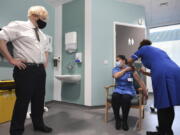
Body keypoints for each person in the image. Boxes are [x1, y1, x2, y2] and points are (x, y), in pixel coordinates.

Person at [0, 5, 52, 135]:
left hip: (40, 70)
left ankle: (38, 124)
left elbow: (45, 49)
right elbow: (1, 39)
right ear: (34, 16)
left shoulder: (42, 34)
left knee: (39, 99)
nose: (44, 21)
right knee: (23, 101)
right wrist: (11, 60)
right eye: (43, 17)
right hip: (25, 70)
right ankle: (16, 130)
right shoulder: (18, 25)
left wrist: (44, 63)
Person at [128, 39, 180, 135]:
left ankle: (162, 131)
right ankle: (168, 130)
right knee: (169, 104)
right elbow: (159, 69)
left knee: (162, 103)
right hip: (176, 71)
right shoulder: (160, 51)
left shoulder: (143, 48)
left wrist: (132, 67)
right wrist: (144, 72)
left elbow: (130, 60)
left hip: (162, 73)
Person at [112, 55, 147, 131]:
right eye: (116, 60)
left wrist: (145, 92)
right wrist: (125, 70)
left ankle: (124, 120)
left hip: (128, 90)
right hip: (118, 89)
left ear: (124, 61)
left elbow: (140, 81)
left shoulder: (132, 70)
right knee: (114, 97)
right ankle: (117, 119)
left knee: (126, 98)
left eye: (118, 60)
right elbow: (116, 76)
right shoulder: (115, 69)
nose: (117, 62)